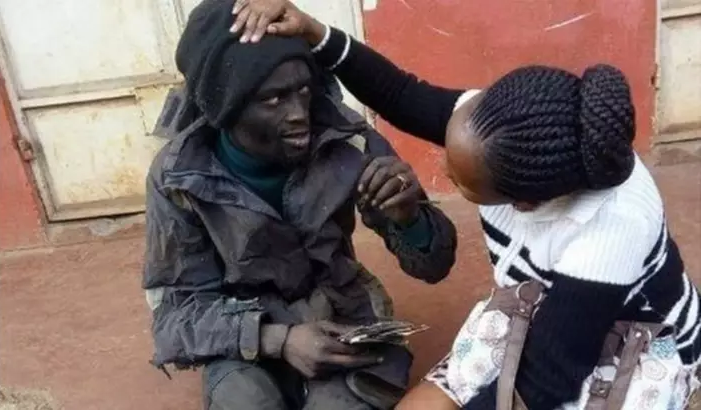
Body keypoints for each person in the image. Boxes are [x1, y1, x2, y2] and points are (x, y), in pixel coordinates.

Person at [228, 1, 701, 409]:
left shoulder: (611, 228)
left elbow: (544, 382)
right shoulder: (495, 128)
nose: (444, 169)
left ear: (524, 203)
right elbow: (400, 94)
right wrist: (314, 32)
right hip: (535, 305)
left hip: (634, 337)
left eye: (457, 180)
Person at [141, 1, 458, 409]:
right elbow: (174, 318)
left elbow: (434, 267)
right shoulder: (178, 177)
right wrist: (278, 339)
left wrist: (410, 218)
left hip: (342, 315)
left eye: (303, 90)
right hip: (244, 330)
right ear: (227, 108)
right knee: (247, 400)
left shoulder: (345, 139)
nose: (298, 114)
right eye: (273, 99)